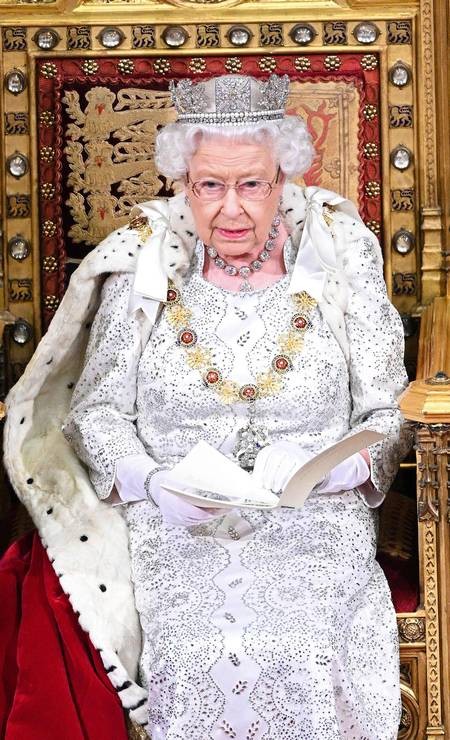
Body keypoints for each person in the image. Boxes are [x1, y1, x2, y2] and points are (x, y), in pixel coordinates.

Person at [3, 73, 411, 739]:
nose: (230, 208)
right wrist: (151, 482)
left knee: (297, 650)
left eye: (251, 184)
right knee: (199, 651)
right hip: (177, 526)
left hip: (314, 523)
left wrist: (330, 468)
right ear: (181, 185)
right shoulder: (145, 263)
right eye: (208, 186)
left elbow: (388, 415)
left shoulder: (341, 259)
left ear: (284, 179)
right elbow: (98, 409)